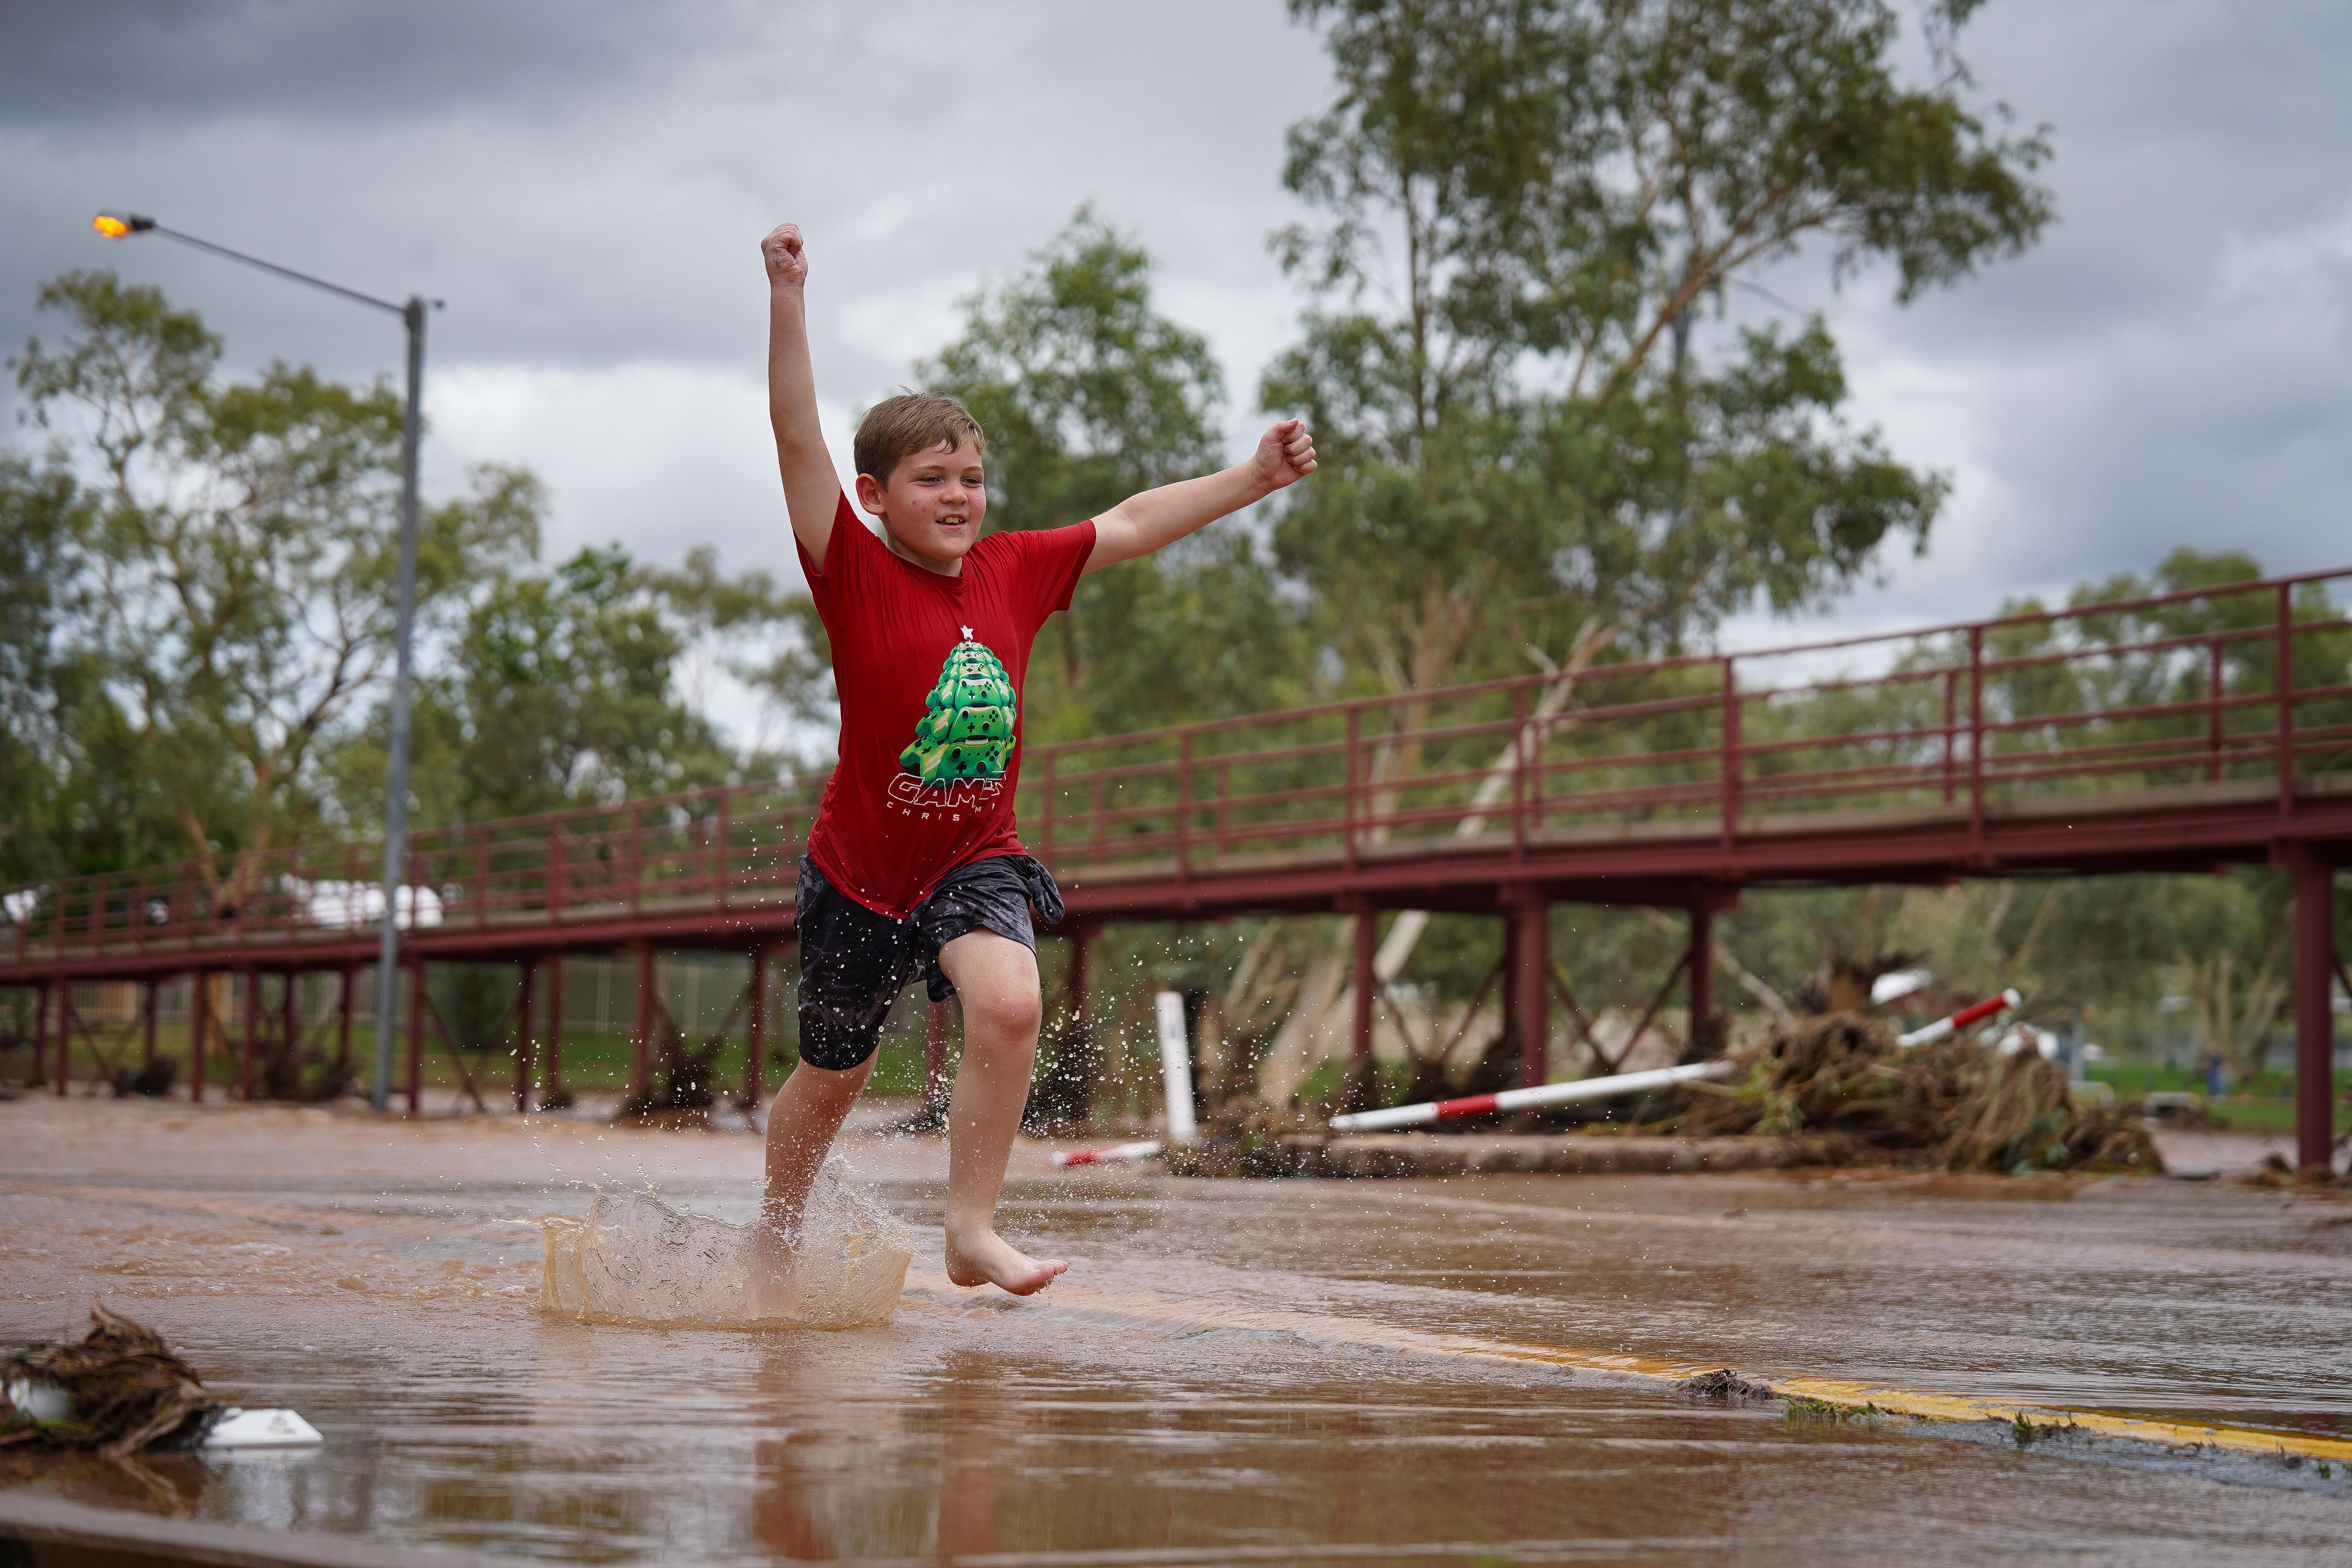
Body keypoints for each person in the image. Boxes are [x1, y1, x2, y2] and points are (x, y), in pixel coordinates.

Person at [745, 222, 1316, 1314]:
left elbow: (1136, 520)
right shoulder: (851, 570)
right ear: (875, 495)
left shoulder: (1013, 569)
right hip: (859, 872)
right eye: (930, 479)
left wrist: (1252, 476)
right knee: (836, 1073)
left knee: (1008, 1003)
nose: (959, 496)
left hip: (973, 853)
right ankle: (776, 1226)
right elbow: (791, 435)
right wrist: (787, 294)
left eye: (971, 476)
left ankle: (968, 1230)